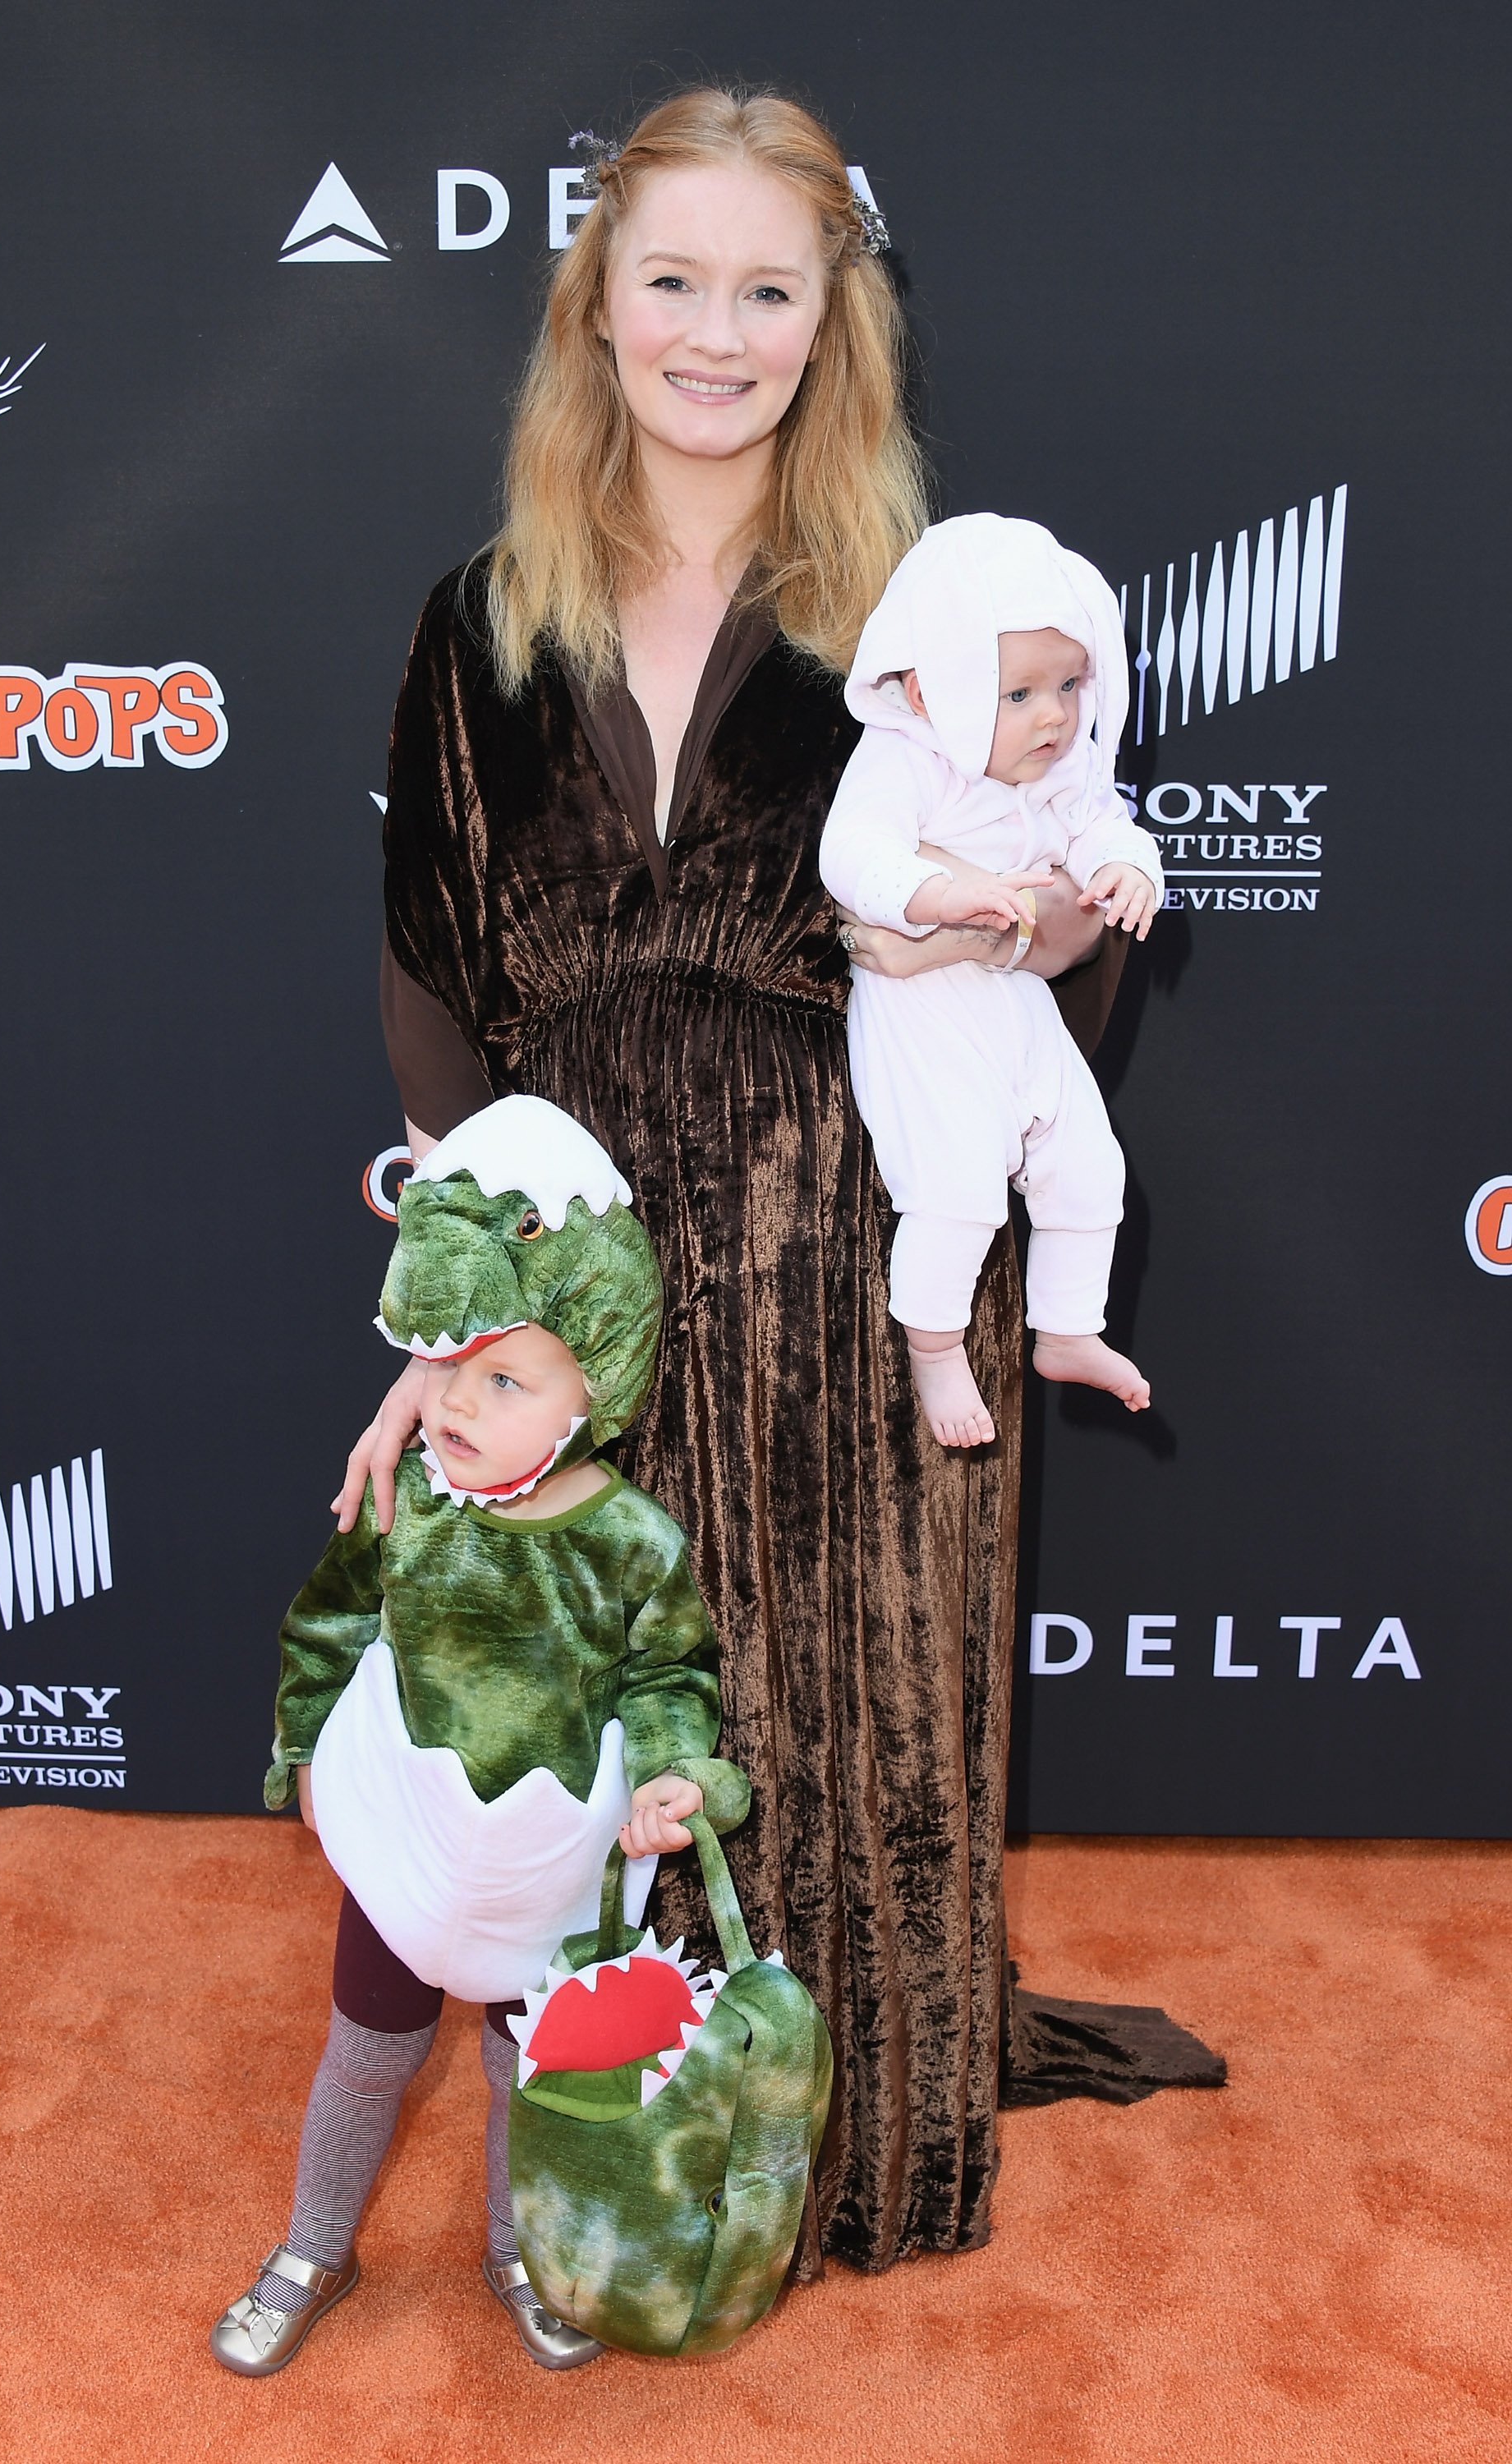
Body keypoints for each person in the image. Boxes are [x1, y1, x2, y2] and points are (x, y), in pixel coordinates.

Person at [355, 87, 1218, 2279]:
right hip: (582, 1269)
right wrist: (485, 1298)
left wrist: (1047, 931)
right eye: (671, 282)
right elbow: (434, 976)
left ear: (832, 322)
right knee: (595, 1723)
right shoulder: (481, 619)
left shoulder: (929, 615)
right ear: (596, 308)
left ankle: (847, 2141)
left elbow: (1061, 917)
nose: (713, 333)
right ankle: (605, 2164)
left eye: (765, 287)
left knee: (847, 1714)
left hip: (856, 1241)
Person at [212, 1096, 747, 2375]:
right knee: (366, 2054)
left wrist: (677, 1775)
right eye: (446, 1375)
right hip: (407, 1837)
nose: (456, 1406)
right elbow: (331, 1620)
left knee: (531, 2066)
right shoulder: (412, 1499)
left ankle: (518, 2250)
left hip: (547, 1861)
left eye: (501, 1381)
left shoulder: (632, 1539)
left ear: (596, 1382)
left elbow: (670, 1669)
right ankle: (314, 2246)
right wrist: (297, 1740)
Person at [818, 513, 1164, 1450]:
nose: (1053, 715)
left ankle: (1068, 1328)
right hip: (920, 1015)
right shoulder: (905, 758)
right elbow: (851, 855)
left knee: (1092, 1165)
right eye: (1020, 693)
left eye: (1068, 685)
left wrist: (1133, 869)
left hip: (1014, 1007)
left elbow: (1104, 826)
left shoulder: (1056, 770)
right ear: (930, 692)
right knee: (956, 1188)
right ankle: (934, 1350)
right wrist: (941, 892)